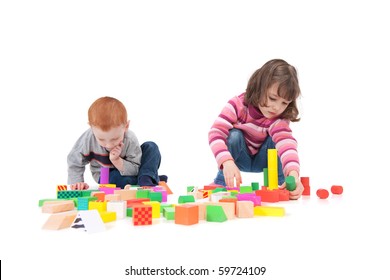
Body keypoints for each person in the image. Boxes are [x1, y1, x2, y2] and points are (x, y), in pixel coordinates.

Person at [208, 59, 304, 199]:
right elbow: (215, 133)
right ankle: (221, 182)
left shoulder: (279, 118)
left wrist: (293, 174)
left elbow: (287, 144)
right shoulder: (238, 105)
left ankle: (282, 183)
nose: (277, 107)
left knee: (277, 140)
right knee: (234, 135)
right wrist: (226, 162)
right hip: (238, 159)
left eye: (284, 103)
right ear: (259, 87)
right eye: (272, 98)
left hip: (264, 160)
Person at [67, 96, 167, 190]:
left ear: (126, 126)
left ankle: (146, 178)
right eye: (101, 139)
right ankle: (150, 176)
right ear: (91, 127)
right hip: (107, 176)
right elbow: (74, 160)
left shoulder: (130, 139)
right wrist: (77, 182)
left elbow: (135, 168)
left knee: (151, 146)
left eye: (115, 139)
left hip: (132, 171)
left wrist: (117, 161)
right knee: (115, 180)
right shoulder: (88, 138)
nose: (109, 145)